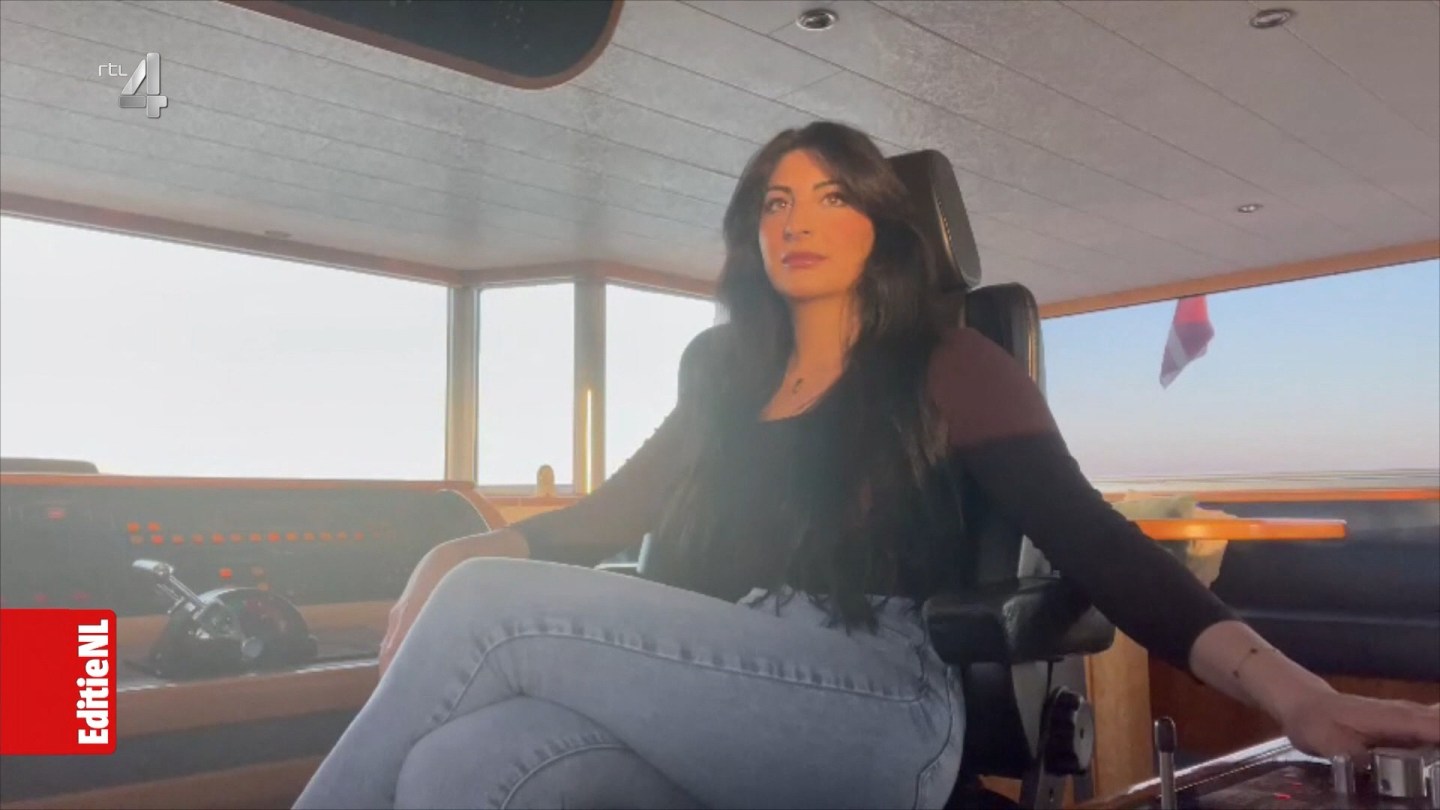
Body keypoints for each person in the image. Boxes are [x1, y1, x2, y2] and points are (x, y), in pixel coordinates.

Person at [295, 122, 1439, 810]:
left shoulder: (951, 361)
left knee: (486, 605)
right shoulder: (721, 373)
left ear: (883, 229)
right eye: (776, 203)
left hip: (877, 705)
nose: (798, 221)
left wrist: (1298, 695)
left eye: (831, 198)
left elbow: (1101, 547)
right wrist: (460, 541)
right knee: (459, 766)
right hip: (724, 681)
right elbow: (607, 517)